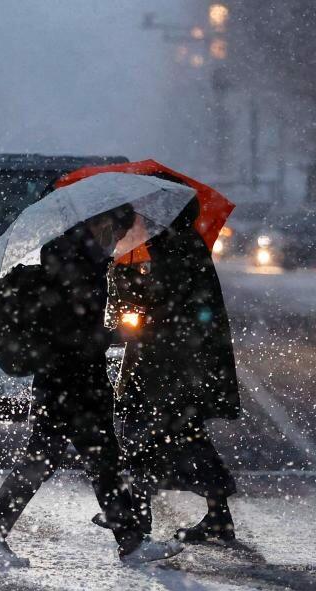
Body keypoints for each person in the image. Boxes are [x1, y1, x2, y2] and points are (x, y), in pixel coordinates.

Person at [0, 207, 185, 569]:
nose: (118, 241)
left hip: (72, 379)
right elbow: (73, 332)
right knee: (66, 460)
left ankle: (130, 543)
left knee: (96, 462)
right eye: (116, 233)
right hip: (70, 381)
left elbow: (74, 326)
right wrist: (117, 333)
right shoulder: (73, 262)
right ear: (101, 223)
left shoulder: (80, 258)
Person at [113, 196, 242, 544]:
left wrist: (128, 281)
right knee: (174, 435)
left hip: (170, 365)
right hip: (172, 363)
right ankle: (208, 515)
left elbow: (164, 301)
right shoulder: (176, 244)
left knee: (150, 433)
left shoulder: (176, 247)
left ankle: (137, 514)